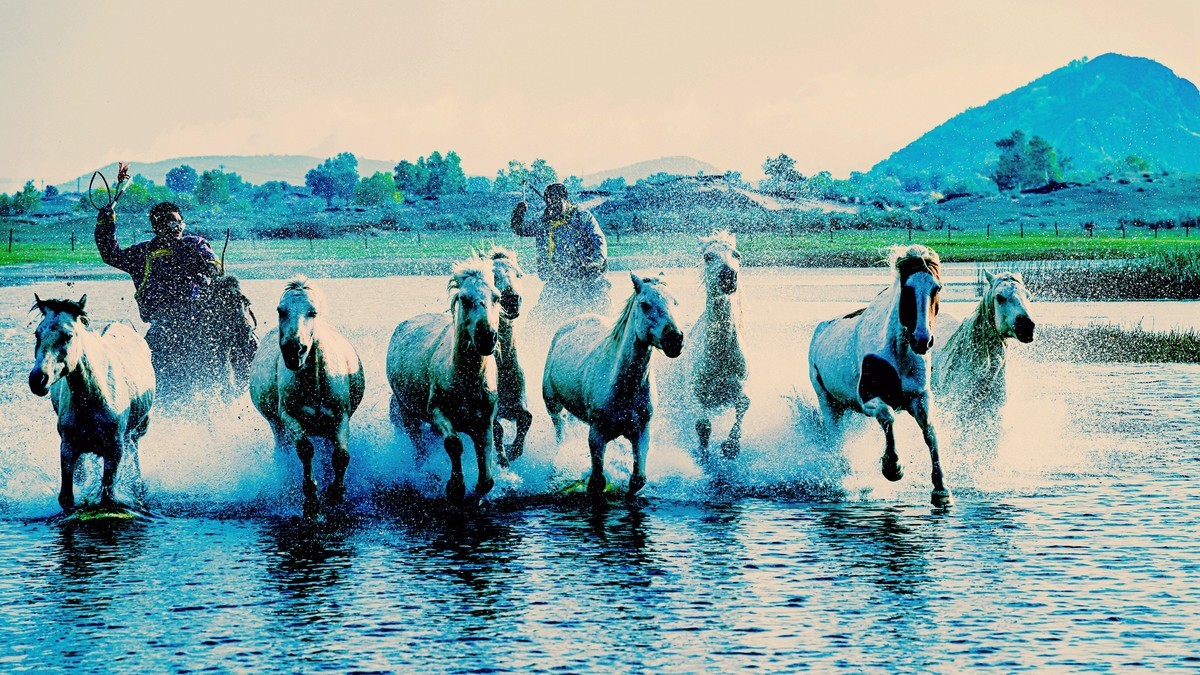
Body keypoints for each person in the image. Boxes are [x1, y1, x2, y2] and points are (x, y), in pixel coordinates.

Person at [95, 201, 256, 406]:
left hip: (203, 321)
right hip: (164, 326)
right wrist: (105, 222)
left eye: (179, 222)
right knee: (143, 367)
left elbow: (215, 267)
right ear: (157, 227)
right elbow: (110, 254)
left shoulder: (196, 244)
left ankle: (252, 375)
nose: (177, 227)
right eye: (170, 223)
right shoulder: (142, 254)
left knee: (243, 327)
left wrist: (206, 266)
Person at [510, 182, 611, 322]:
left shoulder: (583, 218)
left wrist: (595, 263)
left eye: (556, 202)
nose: (553, 207)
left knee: (601, 318)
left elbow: (598, 242)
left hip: (588, 281)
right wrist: (518, 215)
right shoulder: (543, 223)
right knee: (536, 321)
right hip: (557, 284)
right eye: (549, 204)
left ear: (566, 200)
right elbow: (520, 229)